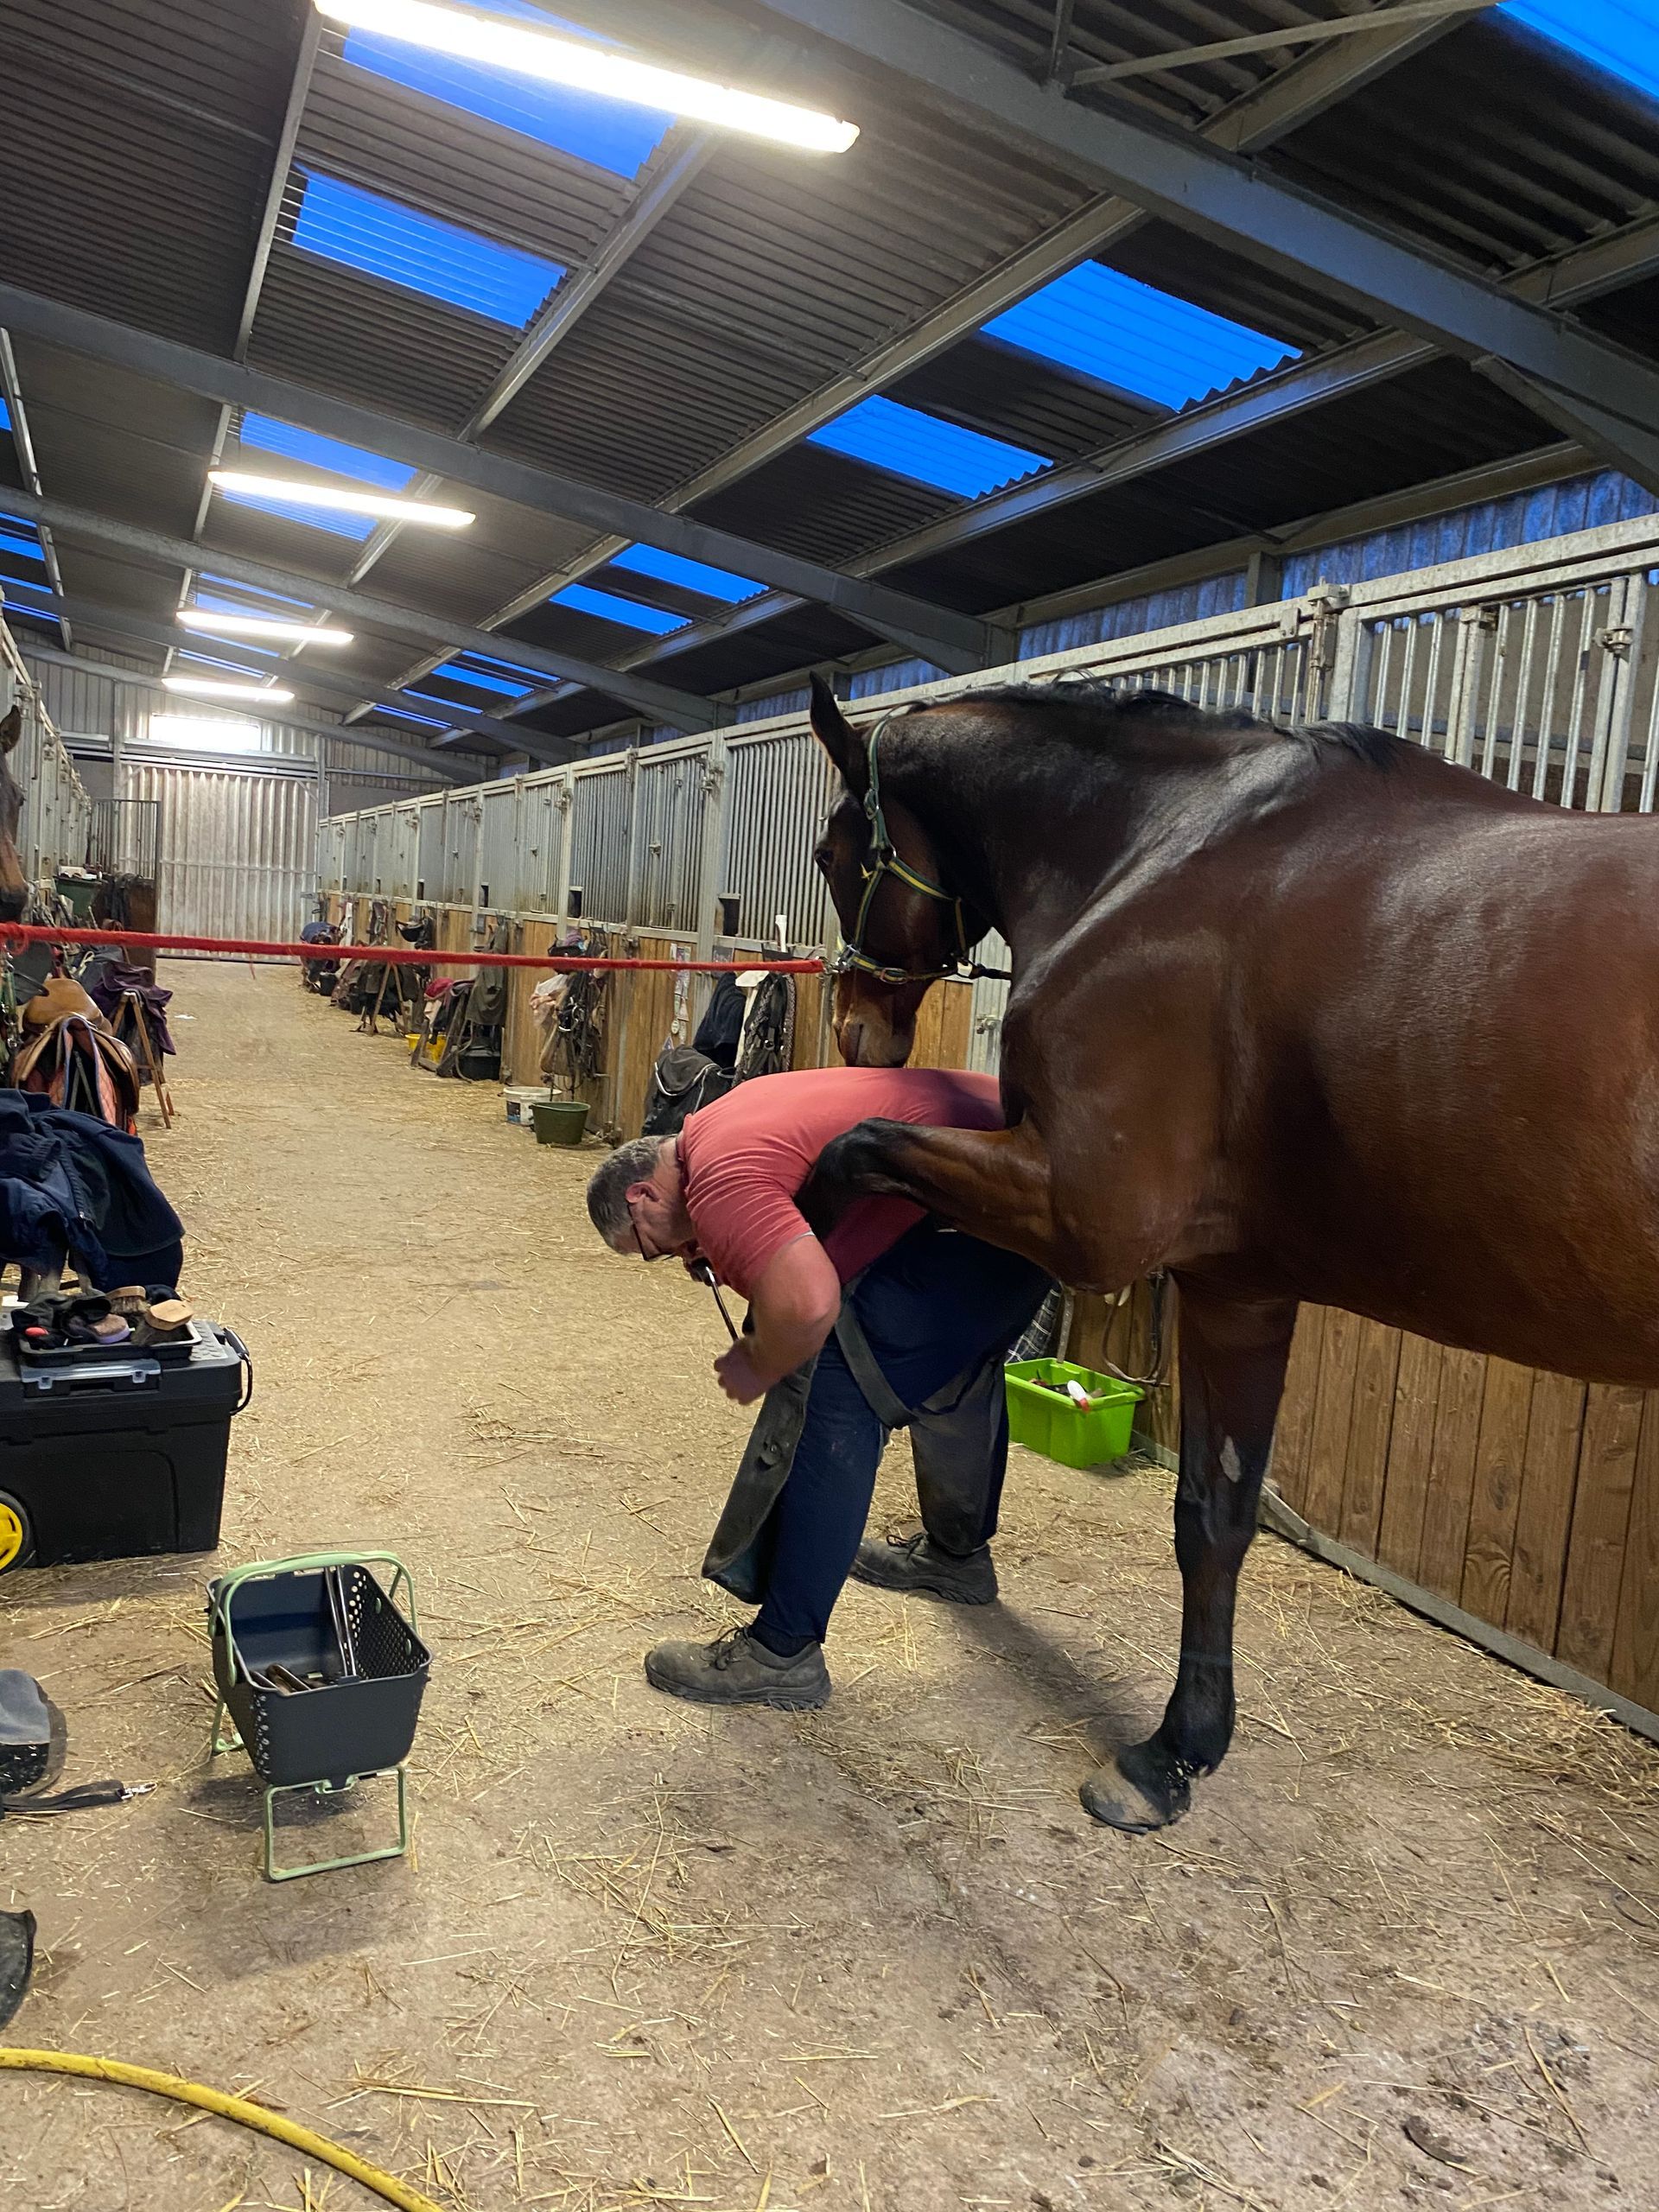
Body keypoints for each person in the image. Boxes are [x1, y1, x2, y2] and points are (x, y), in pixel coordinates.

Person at [586, 1066, 1052, 1709]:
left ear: (642, 1197)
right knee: (951, 1375)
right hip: (1028, 1195)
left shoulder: (720, 1176)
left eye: (652, 1249)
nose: (673, 1256)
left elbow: (805, 1307)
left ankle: (783, 1652)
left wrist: (757, 1362)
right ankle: (956, 1557)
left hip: (989, 1198)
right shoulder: (725, 1121)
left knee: (830, 1386)